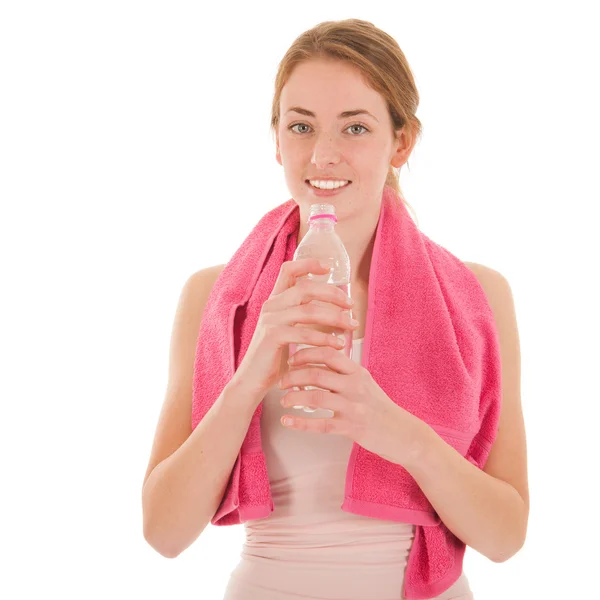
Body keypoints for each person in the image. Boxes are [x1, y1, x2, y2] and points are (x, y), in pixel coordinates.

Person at [141, 18, 529, 600]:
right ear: (276, 139)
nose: (323, 155)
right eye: (301, 126)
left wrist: (399, 432)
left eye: (355, 127)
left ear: (401, 142)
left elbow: (505, 535)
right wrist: (249, 378)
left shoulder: (477, 296)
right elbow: (164, 533)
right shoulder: (215, 297)